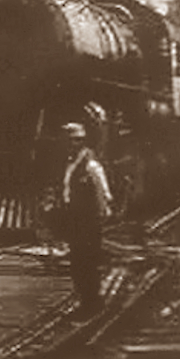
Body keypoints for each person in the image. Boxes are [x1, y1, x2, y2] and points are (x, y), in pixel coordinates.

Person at [57, 122, 114, 316]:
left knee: (88, 262)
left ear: (80, 142)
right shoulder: (70, 162)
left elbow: (103, 192)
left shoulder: (91, 164)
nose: (70, 145)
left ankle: (93, 303)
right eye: (67, 141)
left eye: (74, 141)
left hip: (88, 222)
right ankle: (85, 301)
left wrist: (101, 215)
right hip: (75, 221)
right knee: (77, 263)